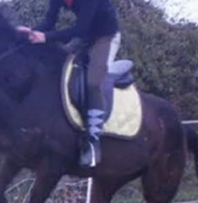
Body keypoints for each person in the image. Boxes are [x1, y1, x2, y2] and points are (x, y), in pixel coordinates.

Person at [18, 0, 121, 167]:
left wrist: (46, 37)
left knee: (93, 82)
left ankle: (93, 142)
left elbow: (81, 28)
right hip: (85, 37)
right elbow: (49, 22)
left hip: (106, 36)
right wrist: (30, 31)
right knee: (56, 63)